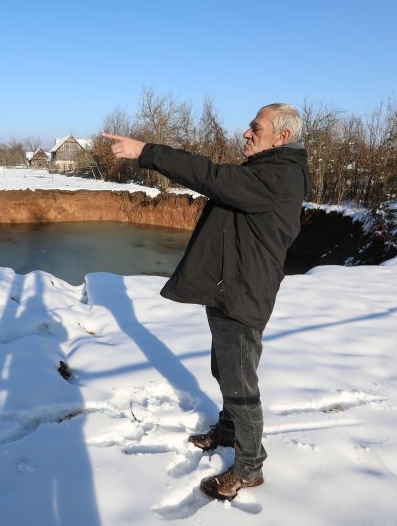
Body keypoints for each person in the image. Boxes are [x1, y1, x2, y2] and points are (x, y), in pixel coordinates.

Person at [104, 103, 313, 501]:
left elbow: (212, 177)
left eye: (256, 127)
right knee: (225, 367)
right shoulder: (269, 169)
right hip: (230, 285)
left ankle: (250, 468)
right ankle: (230, 430)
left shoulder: (280, 174)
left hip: (243, 292)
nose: (246, 133)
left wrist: (147, 152)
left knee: (240, 384)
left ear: (281, 137)